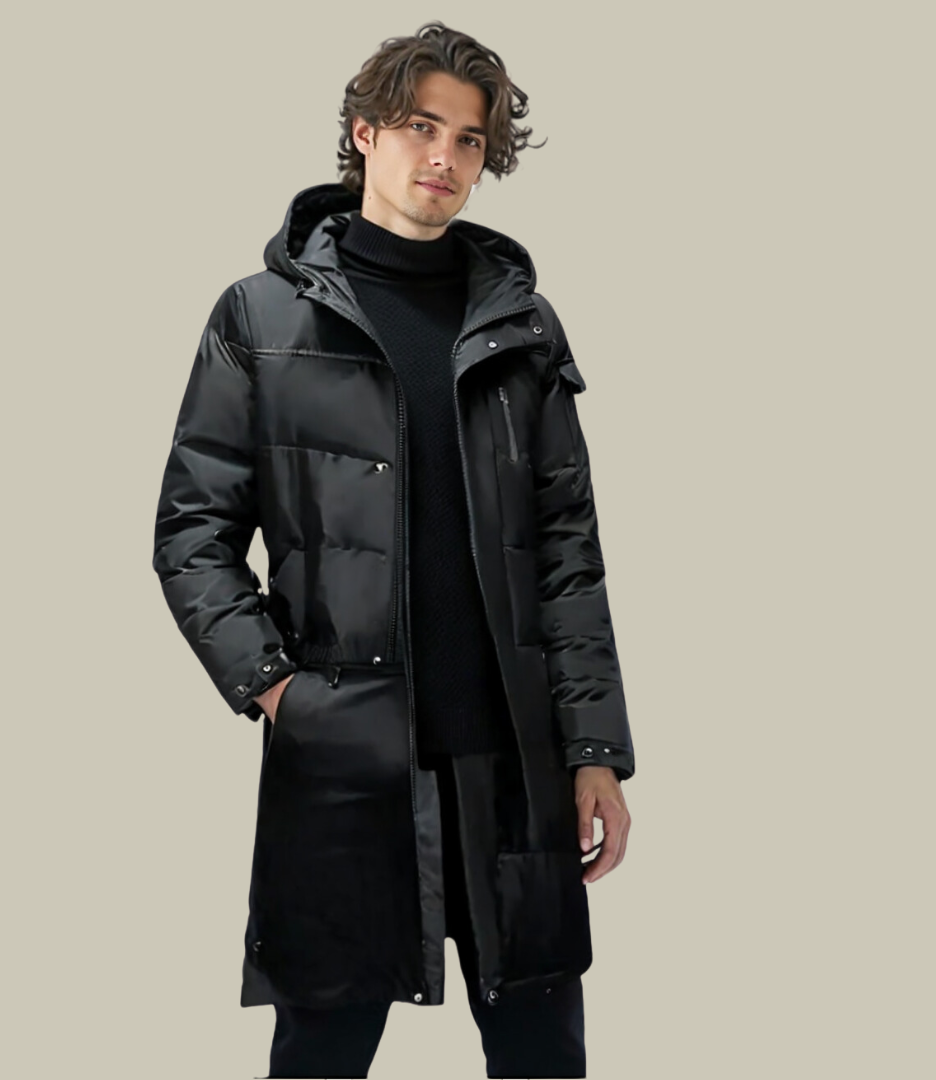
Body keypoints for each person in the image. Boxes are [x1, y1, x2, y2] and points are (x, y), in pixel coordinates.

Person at [152, 20, 635, 1079]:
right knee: (322, 1051)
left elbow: (568, 551)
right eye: (422, 127)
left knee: (542, 1054)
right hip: (349, 761)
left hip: (514, 765)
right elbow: (192, 532)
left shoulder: (522, 324)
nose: (444, 158)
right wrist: (279, 690)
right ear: (365, 133)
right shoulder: (261, 318)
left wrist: (594, 749)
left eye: (469, 140)